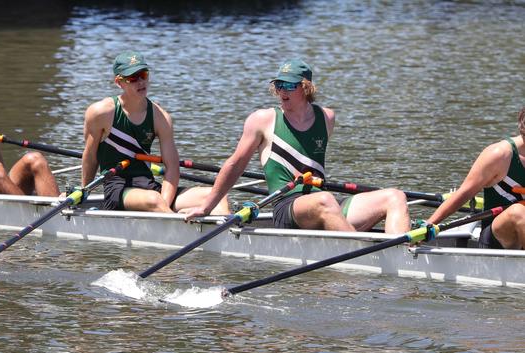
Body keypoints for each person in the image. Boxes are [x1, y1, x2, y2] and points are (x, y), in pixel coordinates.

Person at [183, 58, 410, 234]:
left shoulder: (327, 118)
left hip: (322, 204)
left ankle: (402, 259)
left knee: (395, 196)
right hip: (287, 208)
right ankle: (362, 259)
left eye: (288, 86)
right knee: (326, 201)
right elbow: (235, 165)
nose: (281, 91)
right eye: (278, 85)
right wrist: (206, 207)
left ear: (305, 87)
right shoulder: (263, 120)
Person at [81, 50, 229, 214]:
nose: (140, 82)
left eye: (143, 75)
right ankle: (177, 223)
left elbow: (172, 167)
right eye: (133, 78)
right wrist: (83, 192)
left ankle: (225, 234)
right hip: (117, 189)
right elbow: (90, 157)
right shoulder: (100, 113)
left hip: (149, 188)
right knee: (153, 199)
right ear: (119, 82)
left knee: (215, 195)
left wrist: (163, 204)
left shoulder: (161, 117)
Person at [426, 107, 525, 249]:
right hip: (496, 238)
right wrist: (430, 225)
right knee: (518, 212)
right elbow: (463, 194)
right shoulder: (499, 155)